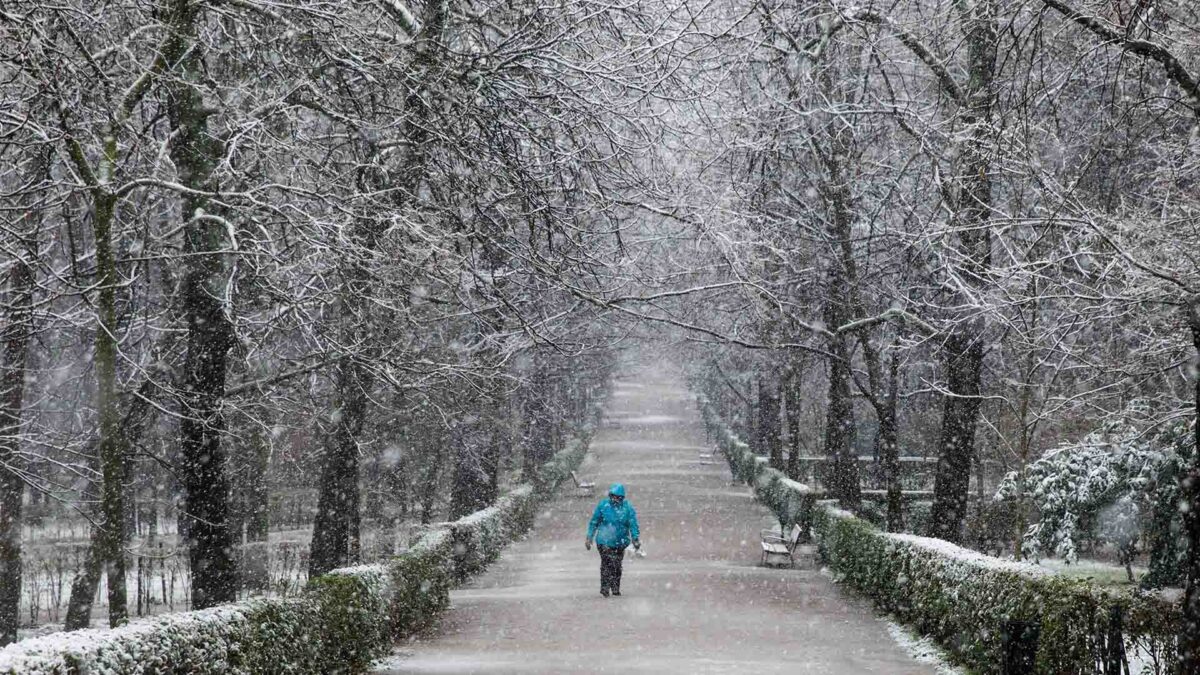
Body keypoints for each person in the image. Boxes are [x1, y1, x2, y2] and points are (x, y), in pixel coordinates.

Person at [585, 483, 640, 597]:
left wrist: (635, 538)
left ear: (621, 498)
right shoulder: (603, 506)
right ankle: (605, 588)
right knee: (606, 563)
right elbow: (594, 522)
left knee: (617, 564)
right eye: (613, 496)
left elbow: (633, 524)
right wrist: (589, 537)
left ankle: (615, 587)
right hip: (604, 541)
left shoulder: (628, 508)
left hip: (620, 542)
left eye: (617, 497)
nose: (614, 499)